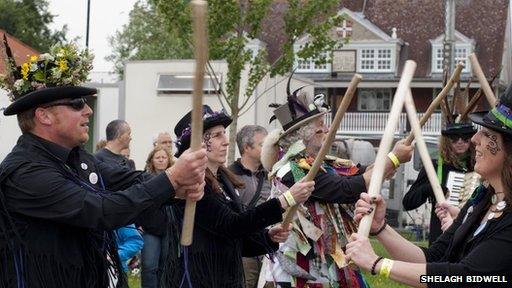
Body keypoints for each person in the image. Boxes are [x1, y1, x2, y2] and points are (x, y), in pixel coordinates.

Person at [0, 43, 207, 287]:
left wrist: (178, 189)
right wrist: (172, 178)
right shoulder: (25, 172)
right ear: (43, 115)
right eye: (77, 102)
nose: (88, 110)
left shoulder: (79, 159)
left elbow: (131, 181)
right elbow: (101, 210)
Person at [346, 84, 512, 287]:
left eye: (486, 134)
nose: (475, 139)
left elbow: (466, 277)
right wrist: (380, 228)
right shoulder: (482, 199)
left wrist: (378, 264)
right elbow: (433, 257)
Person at [261, 75, 412, 287]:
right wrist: (393, 159)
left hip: (328, 269)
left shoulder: (325, 164)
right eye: (320, 126)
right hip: (297, 273)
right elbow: (345, 190)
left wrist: (391, 161)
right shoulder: (290, 170)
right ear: (305, 135)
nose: (327, 131)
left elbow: (361, 175)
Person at [159, 105, 315, 288]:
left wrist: (267, 238)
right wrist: (285, 200)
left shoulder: (224, 182)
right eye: (217, 135)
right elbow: (230, 225)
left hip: (224, 277)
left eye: (224, 133)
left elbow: (235, 239)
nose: (226, 141)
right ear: (198, 144)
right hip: (200, 280)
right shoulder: (193, 185)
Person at [403, 119, 476, 244]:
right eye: (454, 138)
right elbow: (408, 202)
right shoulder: (434, 167)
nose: (460, 142)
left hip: (470, 236)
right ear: (446, 141)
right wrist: (431, 188)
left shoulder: (478, 165)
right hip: (441, 235)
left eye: (465, 138)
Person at [229, 125, 271, 288]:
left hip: (269, 245)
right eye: (263, 144)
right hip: (243, 247)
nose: (268, 148)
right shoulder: (229, 175)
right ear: (246, 147)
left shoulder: (272, 174)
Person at [140, 146, 174, 288]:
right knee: (149, 266)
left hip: (170, 227)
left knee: (165, 266)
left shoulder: (176, 177)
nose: (161, 160)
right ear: (152, 161)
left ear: (168, 160)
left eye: (163, 157)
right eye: (157, 157)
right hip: (150, 227)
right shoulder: (144, 179)